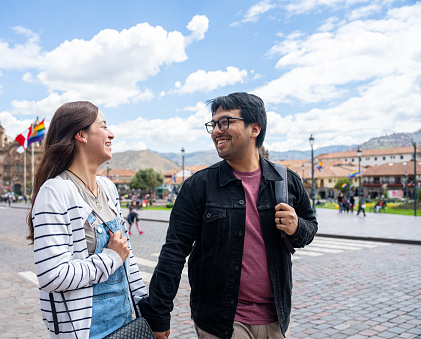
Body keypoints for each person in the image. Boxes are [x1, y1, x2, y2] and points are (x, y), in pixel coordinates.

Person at [138, 92, 318, 339]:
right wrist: (158, 314)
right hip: (223, 321)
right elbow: (174, 251)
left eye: (225, 122)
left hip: (276, 317)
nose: (215, 131)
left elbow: (310, 228)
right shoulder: (199, 185)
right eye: (213, 125)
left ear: (254, 128)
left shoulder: (286, 181)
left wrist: (297, 227)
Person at [27, 101, 148, 338]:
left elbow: (128, 257)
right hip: (86, 331)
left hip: (126, 324)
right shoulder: (55, 192)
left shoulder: (108, 187)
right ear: (81, 135)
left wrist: (147, 310)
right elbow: (52, 276)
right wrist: (110, 258)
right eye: (103, 126)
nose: (111, 133)